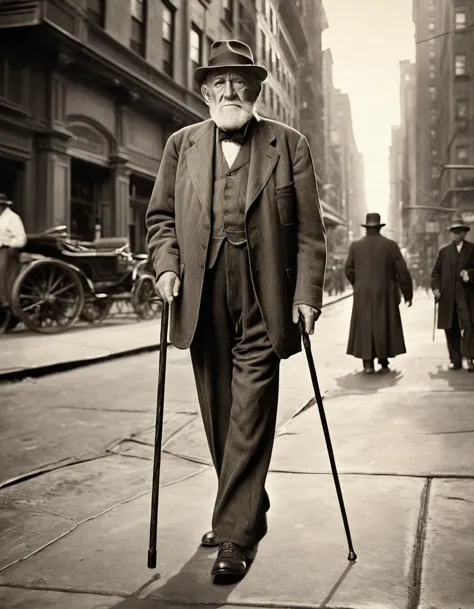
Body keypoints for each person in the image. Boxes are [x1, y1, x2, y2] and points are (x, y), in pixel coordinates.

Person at [145, 39, 327, 580]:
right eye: (219, 82)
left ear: (255, 90)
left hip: (263, 298)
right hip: (203, 299)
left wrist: (306, 296)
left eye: (240, 82)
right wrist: (166, 266)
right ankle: (245, 506)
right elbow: (160, 220)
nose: (230, 90)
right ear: (204, 92)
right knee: (220, 414)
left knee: (250, 413)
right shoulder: (181, 145)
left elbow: (311, 235)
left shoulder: (288, 144)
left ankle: (235, 535)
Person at [344, 212, 413, 374]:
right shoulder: (390, 245)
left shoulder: (355, 246)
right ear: (379, 227)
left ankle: (368, 363)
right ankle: (383, 358)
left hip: (363, 293)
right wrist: (407, 293)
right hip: (385, 291)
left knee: (365, 325)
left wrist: (359, 283)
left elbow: (348, 269)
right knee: (384, 323)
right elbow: (402, 272)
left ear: (367, 227)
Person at [431, 217, 474, 372]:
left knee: (469, 325)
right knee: (451, 327)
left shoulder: (472, 249)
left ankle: (470, 358)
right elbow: (435, 273)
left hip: (467, 296)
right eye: (454, 232)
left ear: (465, 233)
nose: (457, 235)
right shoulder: (443, 251)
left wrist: (470, 274)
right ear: (450, 234)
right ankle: (455, 360)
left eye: (460, 232)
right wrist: (436, 289)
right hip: (448, 297)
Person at [0, 193, 27, 309]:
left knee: (1, 270)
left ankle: (6, 301)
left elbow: (21, 239)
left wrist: (7, 243)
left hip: (7, 250)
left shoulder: (12, 218)